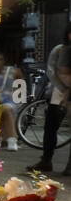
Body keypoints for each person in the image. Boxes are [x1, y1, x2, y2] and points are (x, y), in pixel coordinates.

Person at [33, 27, 71, 174]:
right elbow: (51, 72)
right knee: (50, 128)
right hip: (58, 93)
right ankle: (46, 160)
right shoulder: (60, 49)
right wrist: (64, 88)